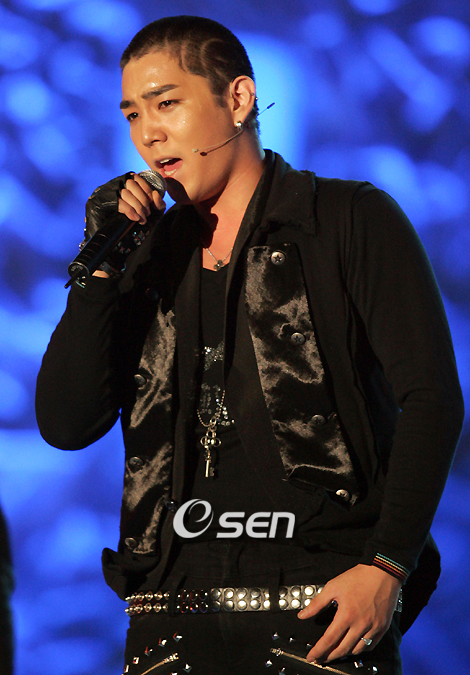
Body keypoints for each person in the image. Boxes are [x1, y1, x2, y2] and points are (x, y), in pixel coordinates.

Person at [35, 15, 464, 675]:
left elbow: (432, 399)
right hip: (169, 621)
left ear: (238, 98)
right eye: (133, 114)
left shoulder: (347, 219)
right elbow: (66, 424)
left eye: (166, 103)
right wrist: (100, 273)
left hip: (317, 614)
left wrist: (386, 565)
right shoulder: (146, 258)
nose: (148, 132)